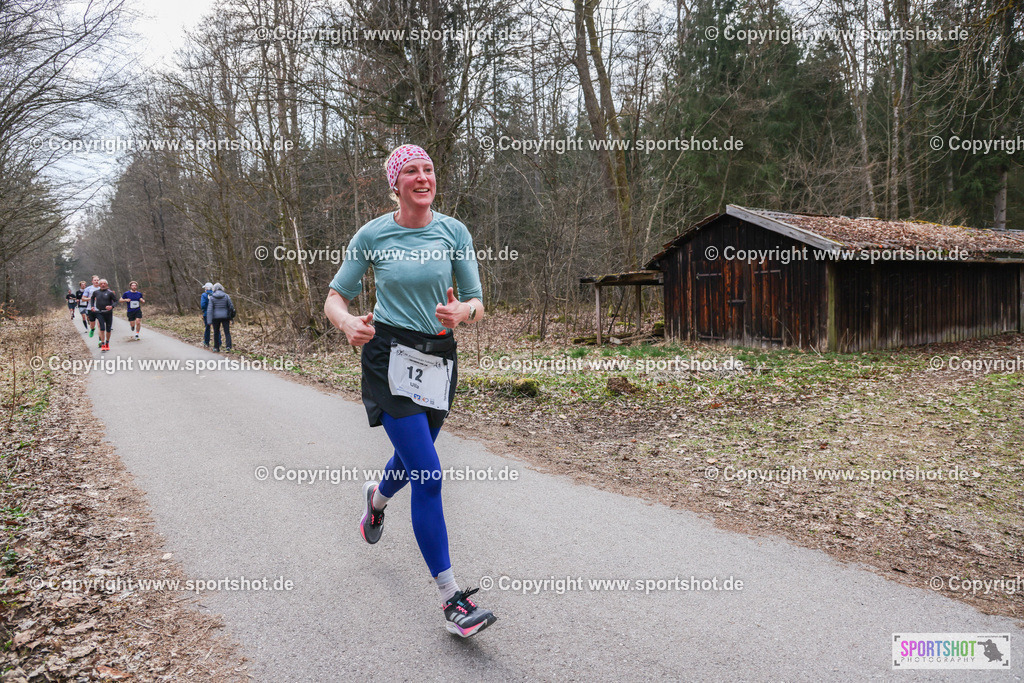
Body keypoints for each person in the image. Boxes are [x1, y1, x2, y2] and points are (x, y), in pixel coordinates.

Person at [323, 144, 493, 638]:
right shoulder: (373, 234)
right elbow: (335, 297)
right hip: (388, 356)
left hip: (438, 358)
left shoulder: (453, 231)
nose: (423, 178)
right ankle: (451, 601)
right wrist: (347, 323)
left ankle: (376, 498)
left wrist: (465, 313)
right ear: (395, 183)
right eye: (411, 172)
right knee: (429, 474)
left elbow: (478, 302)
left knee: (416, 458)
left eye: (429, 170)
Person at [205, 283, 234, 352]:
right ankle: (228, 347)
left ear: (214, 289)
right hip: (225, 317)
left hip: (215, 318)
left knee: (216, 332)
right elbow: (231, 307)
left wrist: (209, 321)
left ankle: (216, 347)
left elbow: (210, 309)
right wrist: (231, 317)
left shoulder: (212, 297)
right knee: (227, 332)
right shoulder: (226, 296)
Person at [91, 279, 119, 352]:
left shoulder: (110, 293)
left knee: (108, 329)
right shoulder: (96, 292)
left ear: (106, 284)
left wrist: (111, 306)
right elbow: (92, 298)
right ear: (99, 285)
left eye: (104, 283)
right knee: (102, 328)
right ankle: (103, 344)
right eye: (101, 284)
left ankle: (107, 343)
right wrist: (92, 306)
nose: (103, 285)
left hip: (108, 313)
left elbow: (116, 301)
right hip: (99, 312)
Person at [200, 282, 213, 347]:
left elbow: (203, 305)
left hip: (207, 314)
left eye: (205, 288)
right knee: (216, 329)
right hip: (214, 314)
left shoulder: (204, 295)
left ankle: (206, 342)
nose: (204, 289)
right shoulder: (215, 294)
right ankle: (219, 342)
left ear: (207, 288)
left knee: (207, 328)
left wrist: (204, 310)